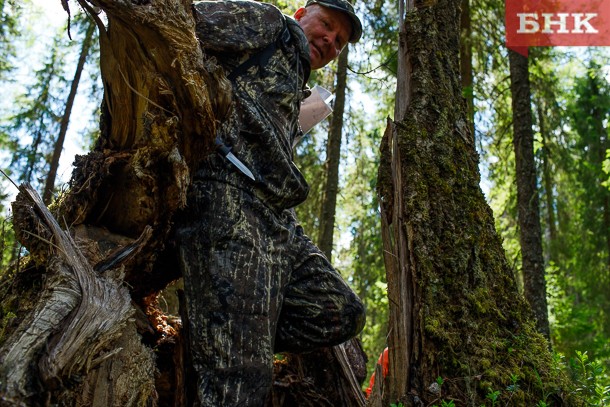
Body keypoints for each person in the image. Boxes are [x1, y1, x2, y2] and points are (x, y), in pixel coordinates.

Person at [174, 0, 366, 405]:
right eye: (327, 25)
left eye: (340, 42)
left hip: (277, 219)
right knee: (242, 384)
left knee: (341, 311)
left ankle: (222, 328)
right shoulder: (268, 24)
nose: (331, 40)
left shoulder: (303, 89)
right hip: (230, 194)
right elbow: (179, 23)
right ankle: (227, 336)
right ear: (301, 15)